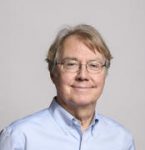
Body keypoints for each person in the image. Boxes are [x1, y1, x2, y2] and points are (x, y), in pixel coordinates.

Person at [0, 24, 135, 150]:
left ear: (105, 74)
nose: (83, 75)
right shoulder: (19, 138)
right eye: (71, 64)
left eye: (94, 65)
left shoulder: (122, 140)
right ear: (53, 73)